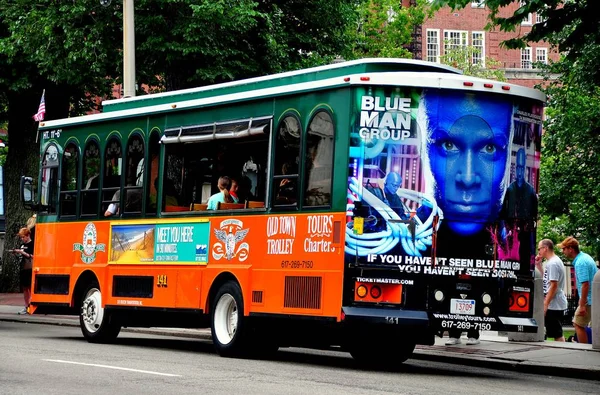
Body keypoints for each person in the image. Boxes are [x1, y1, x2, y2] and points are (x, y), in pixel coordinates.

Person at [421, 90, 513, 258]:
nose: (468, 179)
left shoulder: (513, 241)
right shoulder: (397, 240)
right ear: (423, 149)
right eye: (448, 145)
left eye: (490, 148)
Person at [502, 148, 538, 269]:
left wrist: (531, 223)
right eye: (518, 168)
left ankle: (523, 269)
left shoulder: (530, 190)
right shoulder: (510, 188)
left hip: (525, 228)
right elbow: (503, 209)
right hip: (511, 227)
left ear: (525, 170)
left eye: (522, 168)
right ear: (515, 169)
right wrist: (506, 224)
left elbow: (535, 210)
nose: (520, 171)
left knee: (525, 250)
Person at [558, 236, 598, 344]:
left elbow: (585, 284)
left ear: (571, 249)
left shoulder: (580, 263)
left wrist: (582, 305)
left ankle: (583, 349)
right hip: (593, 298)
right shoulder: (585, 257)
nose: (563, 251)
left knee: (578, 324)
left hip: (589, 300)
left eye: (564, 248)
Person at [535, 239, 568, 342]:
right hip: (554, 303)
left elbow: (554, 285)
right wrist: (538, 265)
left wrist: (546, 304)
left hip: (554, 305)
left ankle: (561, 354)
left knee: (557, 333)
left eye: (539, 249)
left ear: (546, 248)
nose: (538, 251)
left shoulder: (553, 263)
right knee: (554, 331)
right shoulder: (552, 262)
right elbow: (547, 280)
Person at [12, 227, 35, 315]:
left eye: (23, 237)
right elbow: (21, 257)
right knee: (25, 289)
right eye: (21, 237)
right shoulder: (22, 245)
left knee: (30, 288)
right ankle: (26, 306)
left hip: (30, 268)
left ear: (28, 235)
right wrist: (16, 253)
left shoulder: (33, 244)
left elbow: (33, 256)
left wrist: (23, 253)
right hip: (23, 268)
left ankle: (30, 305)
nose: (22, 239)